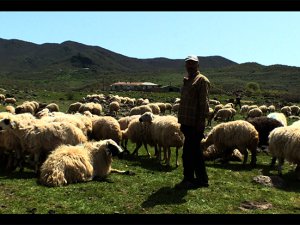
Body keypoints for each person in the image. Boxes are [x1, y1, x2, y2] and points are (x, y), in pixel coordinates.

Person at [175, 55, 210, 190]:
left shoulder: (201, 80)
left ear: (198, 65)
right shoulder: (188, 80)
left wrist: (200, 124)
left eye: (193, 64)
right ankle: (202, 179)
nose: (190, 66)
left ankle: (188, 179)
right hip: (186, 123)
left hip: (195, 124)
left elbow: (203, 104)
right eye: (188, 64)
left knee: (188, 153)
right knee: (195, 152)